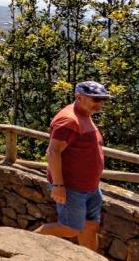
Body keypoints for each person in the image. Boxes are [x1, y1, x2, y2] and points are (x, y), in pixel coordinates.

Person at [34, 81, 111, 253]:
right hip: (72, 188)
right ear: (79, 97)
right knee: (70, 228)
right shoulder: (69, 120)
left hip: (90, 187)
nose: (100, 103)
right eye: (96, 99)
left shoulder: (85, 113)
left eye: (103, 99)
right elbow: (53, 152)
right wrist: (59, 185)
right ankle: (25, 243)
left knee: (91, 226)